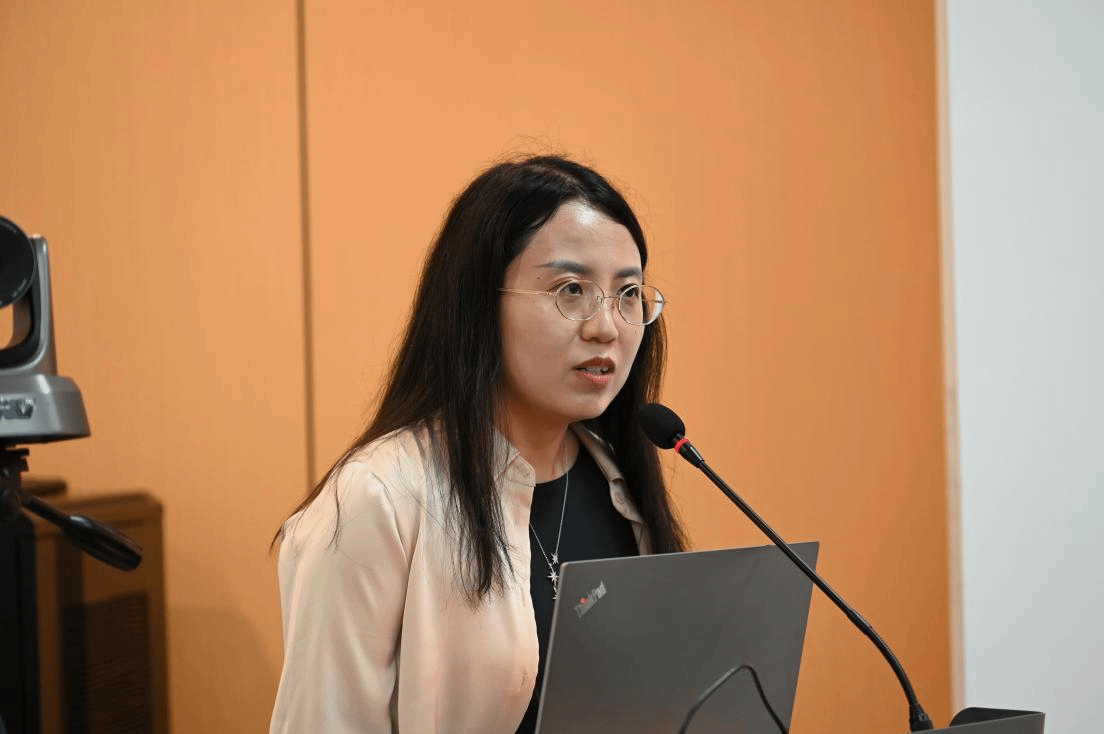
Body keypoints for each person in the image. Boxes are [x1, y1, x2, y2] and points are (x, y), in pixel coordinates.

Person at [269, 155, 687, 734]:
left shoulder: (616, 479)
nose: (606, 327)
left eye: (629, 293)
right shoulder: (376, 500)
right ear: (478, 304)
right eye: (571, 289)